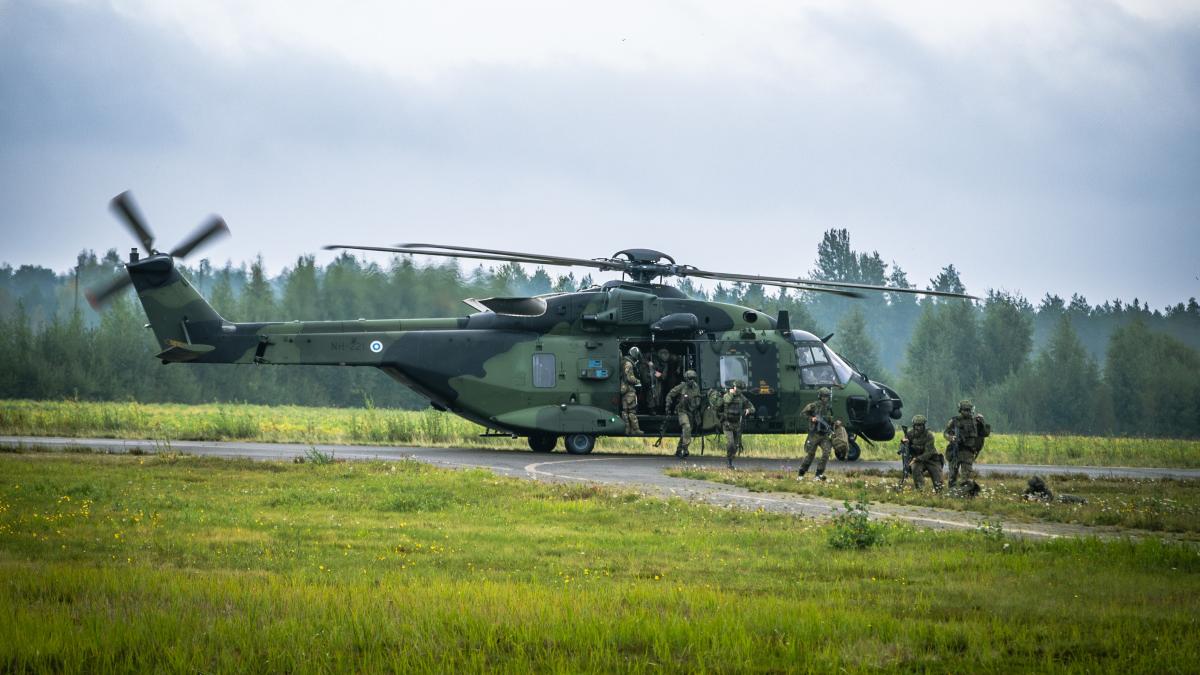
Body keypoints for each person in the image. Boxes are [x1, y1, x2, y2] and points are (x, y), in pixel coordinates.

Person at [944, 399, 989, 489]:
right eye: (965, 410)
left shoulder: (976, 421)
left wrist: (982, 422)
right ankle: (952, 493)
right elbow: (945, 433)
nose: (967, 412)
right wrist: (951, 438)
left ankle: (963, 493)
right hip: (955, 451)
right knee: (952, 476)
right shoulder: (955, 421)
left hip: (968, 452)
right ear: (960, 410)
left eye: (969, 410)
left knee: (966, 477)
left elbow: (985, 433)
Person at [797, 387, 840, 480]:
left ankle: (819, 474)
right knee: (810, 454)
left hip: (824, 435)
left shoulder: (829, 408)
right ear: (820, 396)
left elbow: (831, 420)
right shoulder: (813, 406)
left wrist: (835, 423)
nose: (825, 398)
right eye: (824, 396)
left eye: (827, 397)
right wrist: (811, 418)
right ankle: (801, 473)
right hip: (814, 434)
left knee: (826, 452)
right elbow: (803, 414)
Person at [664, 369, 703, 458]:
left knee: (686, 432)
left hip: (692, 412)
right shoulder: (682, 387)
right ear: (686, 379)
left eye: (693, 378)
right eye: (690, 378)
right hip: (682, 411)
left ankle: (678, 450)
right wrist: (668, 405)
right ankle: (685, 448)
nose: (692, 380)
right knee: (686, 427)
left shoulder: (696, 387)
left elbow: (698, 399)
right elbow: (670, 394)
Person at [717, 380, 755, 468]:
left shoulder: (742, 398)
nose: (738, 391)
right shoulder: (727, 395)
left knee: (735, 446)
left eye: (740, 389)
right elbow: (726, 401)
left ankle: (730, 458)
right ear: (734, 387)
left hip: (737, 425)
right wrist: (731, 394)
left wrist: (748, 410)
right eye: (737, 388)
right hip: (727, 424)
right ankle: (729, 462)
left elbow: (752, 407)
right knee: (731, 443)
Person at [905, 415, 943, 491]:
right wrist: (904, 444)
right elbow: (904, 447)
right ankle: (920, 491)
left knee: (938, 479)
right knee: (915, 468)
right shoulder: (909, 434)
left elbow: (928, 452)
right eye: (916, 425)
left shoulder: (929, 435)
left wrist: (916, 459)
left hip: (931, 459)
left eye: (920, 425)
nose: (917, 427)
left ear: (924, 425)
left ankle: (939, 493)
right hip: (918, 460)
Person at [620, 346, 644, 435]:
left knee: (625, 411)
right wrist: (638, 381)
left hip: (623, 389)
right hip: (629, 390)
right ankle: (635, 430)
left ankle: (626, 430)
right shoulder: (629, 364)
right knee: (632, 411)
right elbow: (629, 378)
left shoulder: (623, 361)